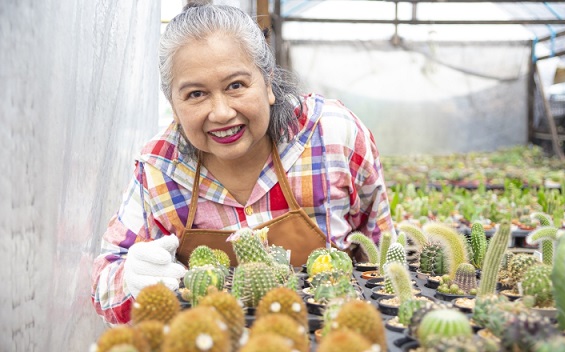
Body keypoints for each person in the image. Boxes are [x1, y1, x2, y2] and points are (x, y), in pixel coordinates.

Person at [91, 2, 396, 324]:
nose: (221, 113)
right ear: (173, 105)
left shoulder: (334, 136)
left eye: (236, 85)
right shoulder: (160, 169)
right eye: (196, 94)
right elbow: (104, 282)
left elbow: (380, 249)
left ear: (268, 83)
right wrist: (130, 278)